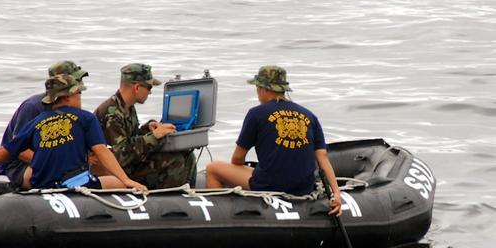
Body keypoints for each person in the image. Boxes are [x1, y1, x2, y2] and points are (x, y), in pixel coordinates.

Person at [205, 66, 343, 216]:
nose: (257, 93)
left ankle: (219, 215)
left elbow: (237, 158)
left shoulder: (256, 114)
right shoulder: (309, 116)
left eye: (257, 88)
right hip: (303, 187)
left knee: (213, 168)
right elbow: (322, 158)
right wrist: (336, 194)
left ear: (264, 89)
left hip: (270, 184)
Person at [0, 73, 146, 191]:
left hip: (41, 185)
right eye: (79, 93)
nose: (80, 98)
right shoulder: (86, 118)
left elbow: (4, 151)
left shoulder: (37, 121)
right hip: (73, 184)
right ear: (67, 97)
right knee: (117, 183)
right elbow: (101, 150)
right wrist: (126, 180)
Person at [94, 63, 197, 190]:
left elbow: (130, 138)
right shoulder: (112, 114)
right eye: (149, 87)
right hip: (118, 171)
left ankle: (189, 195)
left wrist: (147, 129)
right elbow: (121, 156)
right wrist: (153, 137)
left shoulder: (127, 107)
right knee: (174, 160)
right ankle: (169, 199)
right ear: (137, 87)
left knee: (188, 155)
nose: (150, 92)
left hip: (130, 165)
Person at [0, 60, 88, 188]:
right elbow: (20, 151)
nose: (82, 84)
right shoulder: (33, 107)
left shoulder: (74, 108)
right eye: (77, 79)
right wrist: (52, 165)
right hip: (21, 164)